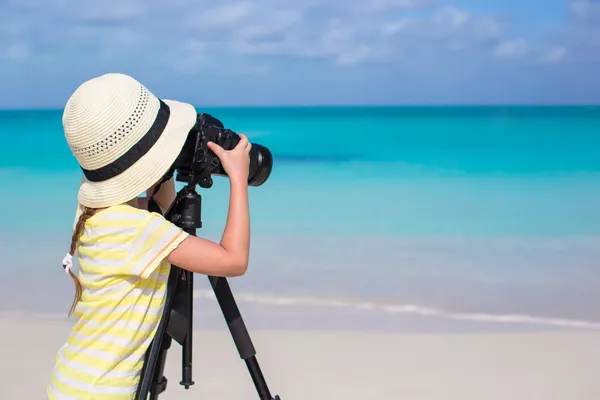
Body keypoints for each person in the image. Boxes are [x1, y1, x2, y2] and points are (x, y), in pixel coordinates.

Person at [47, 73, 252, 399]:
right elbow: (234, 259)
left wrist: (161, 169)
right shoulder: (139, 230)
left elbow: (161, 212)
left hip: (74, 381)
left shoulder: (96, 212)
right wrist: (238, 179)